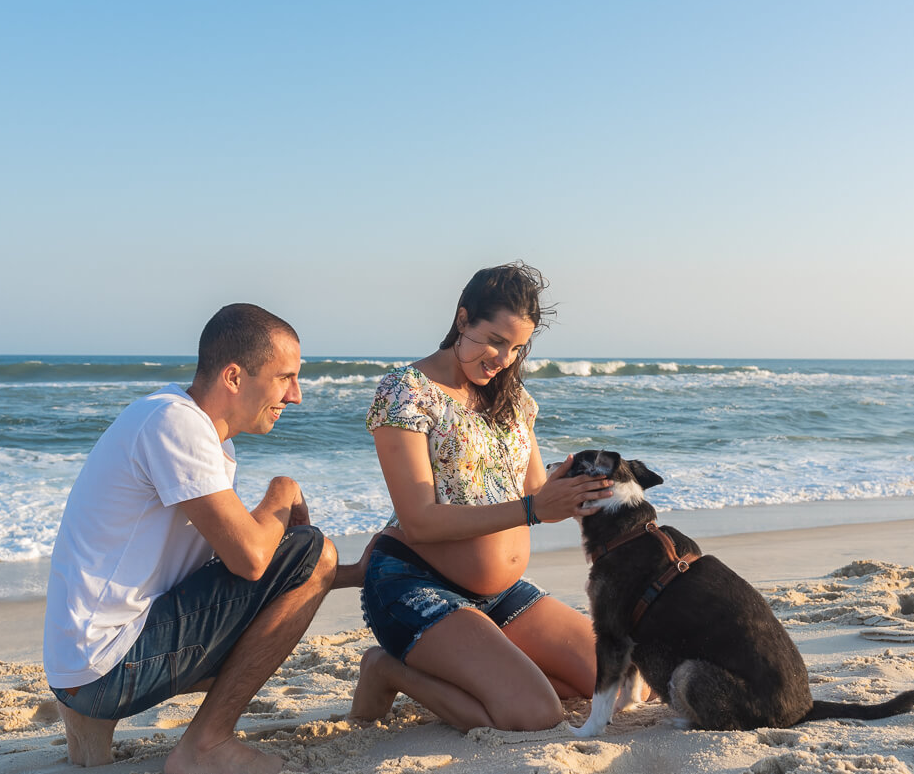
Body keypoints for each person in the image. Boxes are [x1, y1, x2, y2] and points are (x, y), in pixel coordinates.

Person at [43, 303, 367, 774]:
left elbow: (219, 577)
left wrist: (353, 574)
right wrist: (282, 489)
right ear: (234, 377)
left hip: (82, 661)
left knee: (309, 558)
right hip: (104, 666)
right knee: (311, 550)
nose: (295, 396)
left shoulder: (186, 428)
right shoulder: (177, 424)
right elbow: (252, 563)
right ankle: (207, 744)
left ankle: (92, 725)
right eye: (285, 378)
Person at [349, 262, 614, 732]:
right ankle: (387, 668)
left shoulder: (513, 400)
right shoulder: (406, 392)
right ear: (462, 319)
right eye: (494, 339)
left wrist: (576, 491)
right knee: (535, 714)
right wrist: (535, 508)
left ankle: (491, 673)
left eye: (515, 348)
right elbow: (420, 522)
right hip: (414, 584)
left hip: (501, 594)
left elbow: (535, 496)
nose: (503, 358)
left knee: (614, 681)